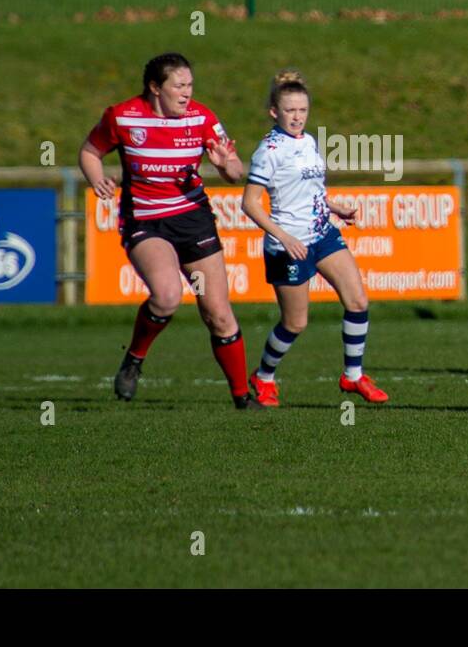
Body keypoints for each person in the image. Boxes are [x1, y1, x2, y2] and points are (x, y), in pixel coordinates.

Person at [79, 52, 264, 410]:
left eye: (190, 85)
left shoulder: (202, 117)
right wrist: (97, 178)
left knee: (219, 314)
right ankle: (134, 359)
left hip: (193, 221)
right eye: (178, 86)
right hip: (146, 222)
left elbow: (236, 171)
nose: (186, 93)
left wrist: (227, 165)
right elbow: (90, 151)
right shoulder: (122, 116)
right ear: (154, 88)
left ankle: (242, 397)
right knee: (166, 295)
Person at [239, 70, 387, 407]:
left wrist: (335, 208)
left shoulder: (308, 142)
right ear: (274, 111)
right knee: (295, 323)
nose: (297, 117)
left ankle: (352, 377)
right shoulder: (269, 150)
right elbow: (249, 203)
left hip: (322, 234)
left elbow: (312, 190)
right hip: (287, 246)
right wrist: (284, 236)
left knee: (358, 301)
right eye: (290, 110)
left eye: (302, 110)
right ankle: (263, 377)